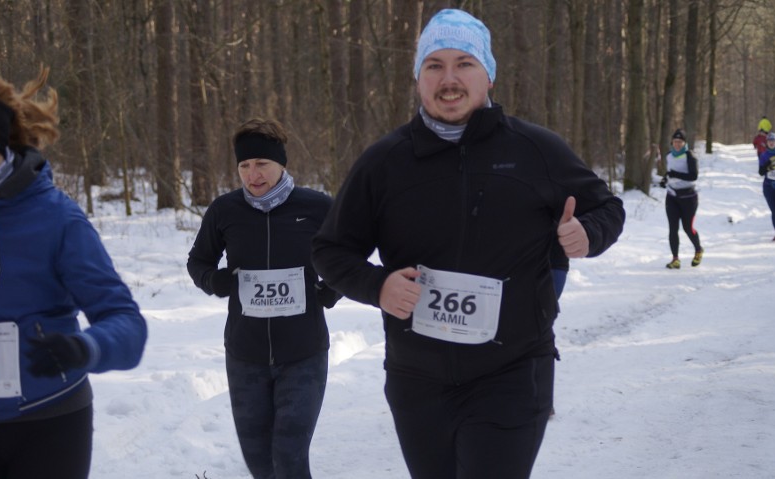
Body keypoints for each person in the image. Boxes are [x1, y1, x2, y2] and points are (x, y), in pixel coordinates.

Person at [311, 9, 625, 478]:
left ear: (488, 76)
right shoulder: (385, 162)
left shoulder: (534, 150)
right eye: (434, 65)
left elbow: (607, 209)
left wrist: (588, 234)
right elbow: (331, 250)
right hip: (417, 378)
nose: (449, 78)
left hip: (513, 369)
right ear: (419, 78)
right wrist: (377, 286)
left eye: (464, 64)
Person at [0, 68, 147, 478]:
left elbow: (126, 322)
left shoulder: (55, 218)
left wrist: (86, 348)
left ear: (0, 138)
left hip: (48, 422)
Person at [187, 118, 338, 479]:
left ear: (282, 163)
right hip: (245, 356)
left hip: (304, 353)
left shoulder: (317, 207)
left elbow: (345, 256)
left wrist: (333, 287)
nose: (253, 175)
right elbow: (198, 261)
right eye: (244, 165)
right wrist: (213, 280)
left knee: (289, 455)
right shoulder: (225, 211)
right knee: (260, 463)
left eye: (262, 164)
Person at [658, 129, 704, 269]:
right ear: (672, 142)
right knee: (673, 229)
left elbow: (693, 176)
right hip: (672, 196)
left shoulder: (690, 156)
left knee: (688, 228)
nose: (677, 144)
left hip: (688, 197)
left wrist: (674, 174)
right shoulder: (668, 156)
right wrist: (665, 180)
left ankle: (698, 250)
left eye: (680, 142)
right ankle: (675, 259)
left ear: (684, 143)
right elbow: (670, 173)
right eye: (675, 141)